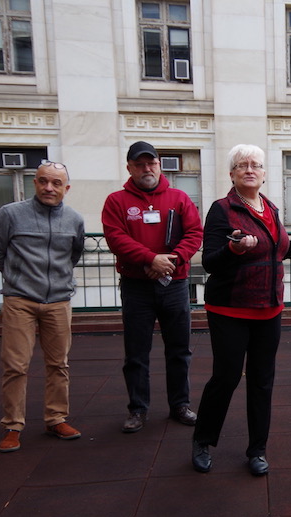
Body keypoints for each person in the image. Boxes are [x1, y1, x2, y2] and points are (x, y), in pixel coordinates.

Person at [191, 144, 291, 476]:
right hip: (230, 308)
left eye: (255, 164)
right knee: (225, 378)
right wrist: (232, 248)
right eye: (241, 165)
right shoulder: (222, 210)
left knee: (262, 381)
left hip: (268, 309)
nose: (249, 169)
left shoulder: (270, 209)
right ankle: (202, 440)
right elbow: (210, 262)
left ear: (263, 173)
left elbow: (277, 252)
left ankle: (257, 449)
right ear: (231, 174)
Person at [102, 141, 203, 433]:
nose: (147, 169)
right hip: (137, 287)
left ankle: (179, 405)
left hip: (175, 284)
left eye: (152, 163)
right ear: (129, 168)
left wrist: (172, 260)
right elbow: (115, 238)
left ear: (159, 164)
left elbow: (195, 233)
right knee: (136, 352)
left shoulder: (179, 198)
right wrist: (149, 259)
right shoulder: (116, 201)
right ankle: (137, 409)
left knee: (179, 350)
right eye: (140, 164)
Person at [0, 160, 85, 452]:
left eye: (56, 183)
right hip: (20, 300)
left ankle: (56, 418)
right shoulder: (10, 214)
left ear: (66, 188)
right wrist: (18, 278)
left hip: (58, 300)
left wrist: (56, 281)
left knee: (59, 364)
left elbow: (73, 254)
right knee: (15, 365)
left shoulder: (74, 219)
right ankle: (12, 425)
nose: (49, 188)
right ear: (35, 182)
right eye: (43, 181)